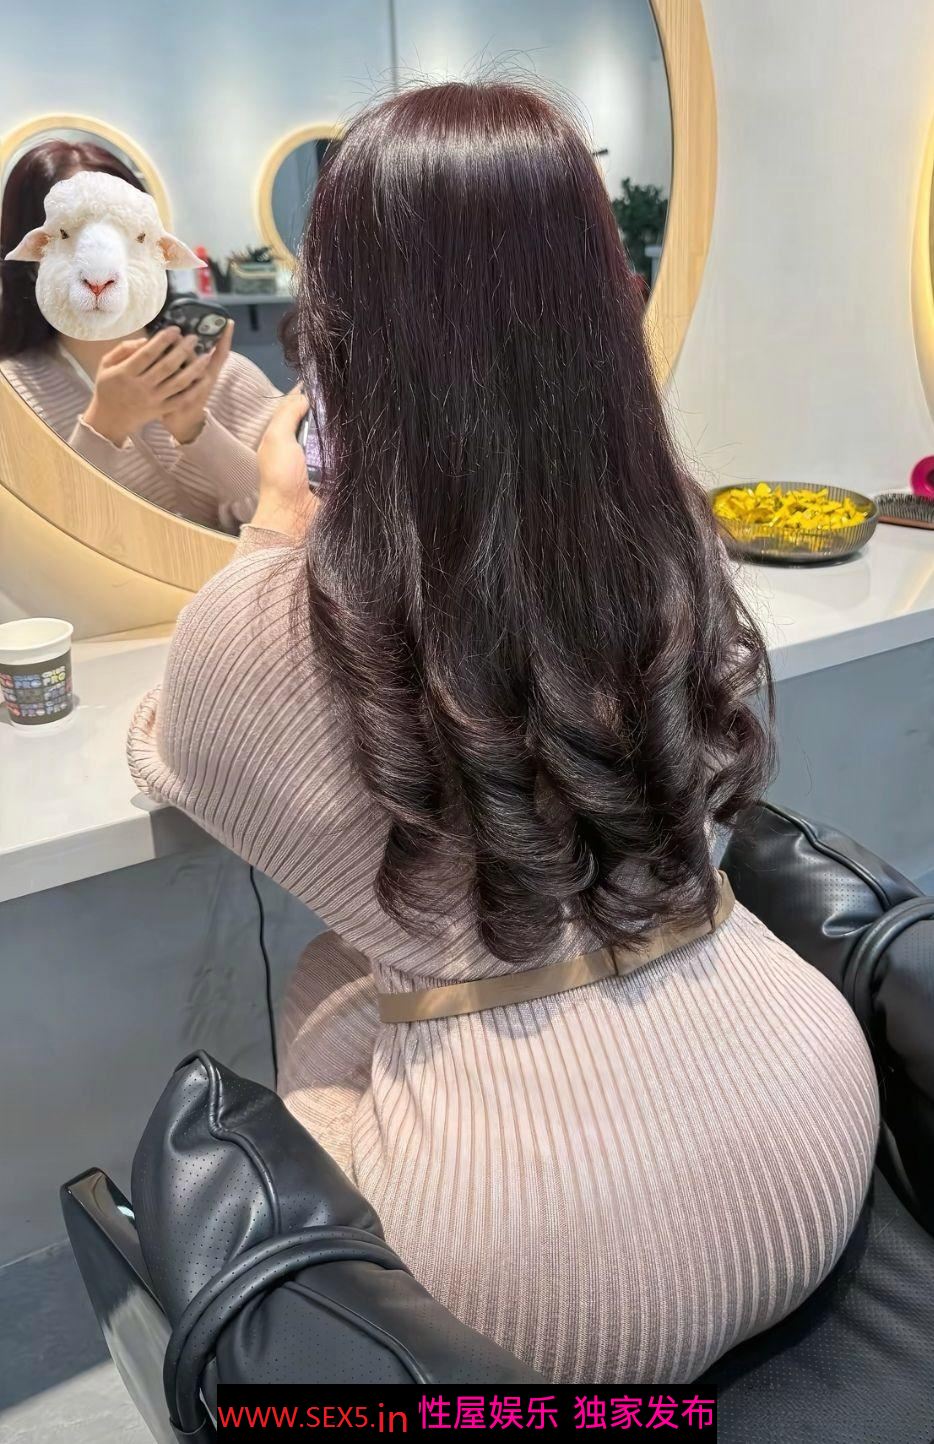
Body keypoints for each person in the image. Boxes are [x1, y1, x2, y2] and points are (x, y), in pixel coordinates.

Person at [128, 82, 878, 1383]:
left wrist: (274, 530)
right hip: (811, 1121)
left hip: (546, 1285)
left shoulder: (272, 626)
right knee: (363, 968)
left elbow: (167, 748)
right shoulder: (672, 542)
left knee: (329, 990)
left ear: (340, 333)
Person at [0, 141, 279, 531]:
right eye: (70, 236)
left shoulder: (225, 376)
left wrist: (195, 429)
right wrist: (102, 427)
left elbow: (295, 521)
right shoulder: (12, 396)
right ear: (34, 253)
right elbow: (32, 545)